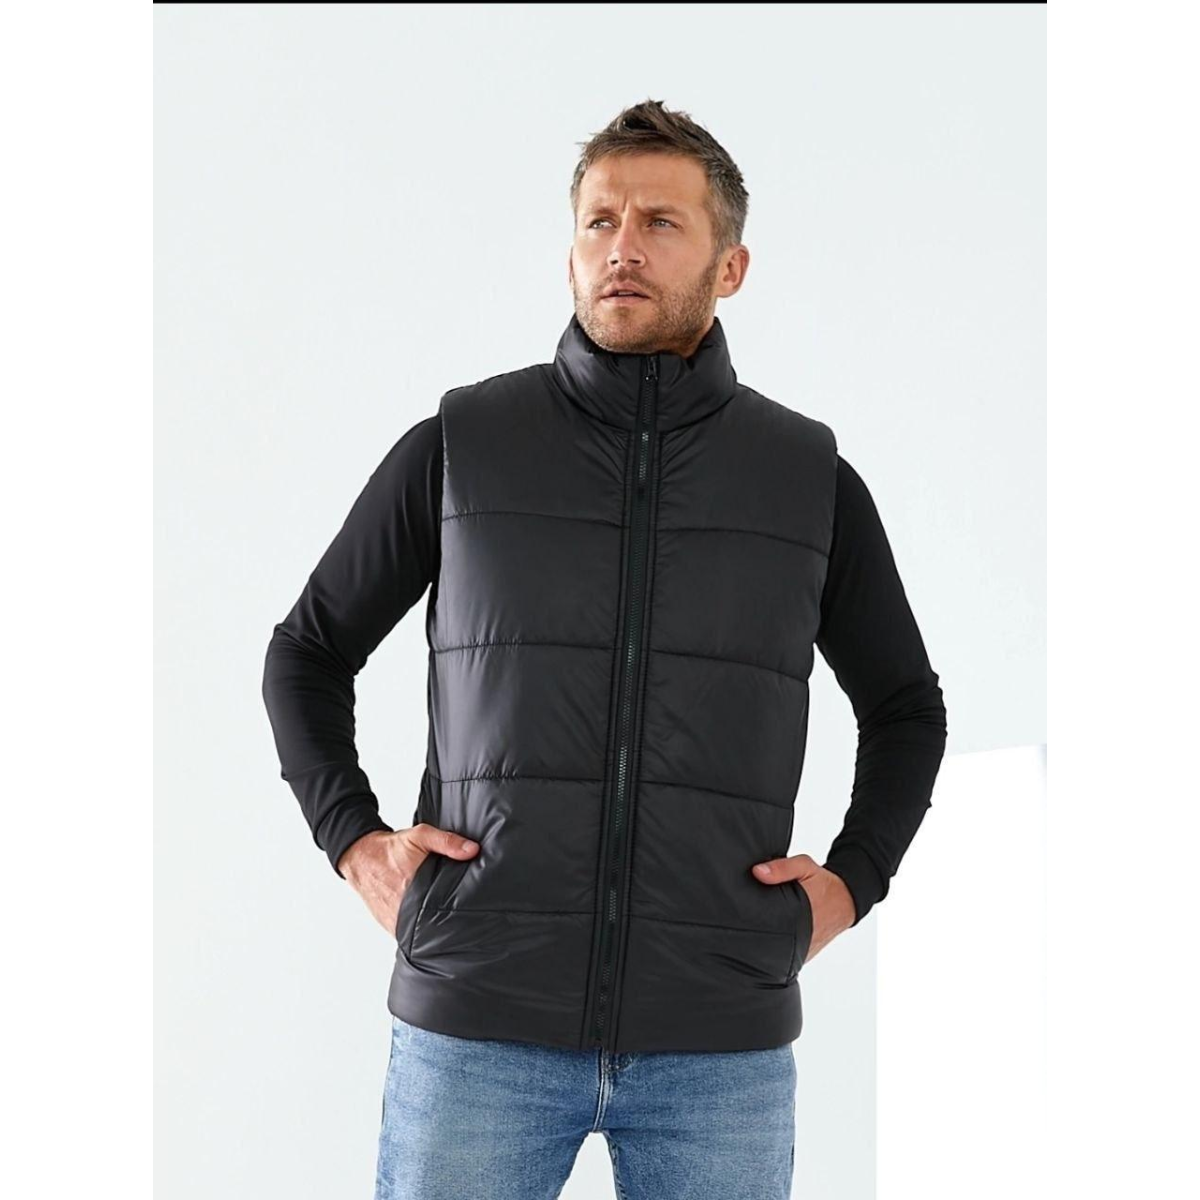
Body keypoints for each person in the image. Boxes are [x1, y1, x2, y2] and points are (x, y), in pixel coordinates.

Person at [261, 98, 947, 1200]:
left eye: (661, 223)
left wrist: (852, 882)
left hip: (718, 1043)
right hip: (478, 1020)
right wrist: (357, 842)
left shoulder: (806, 479)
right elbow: (307, 649)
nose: (623, 246)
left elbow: (906, 706)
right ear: (572, 250)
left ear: (730, 267)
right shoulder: (464, 446)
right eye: (600, 220)